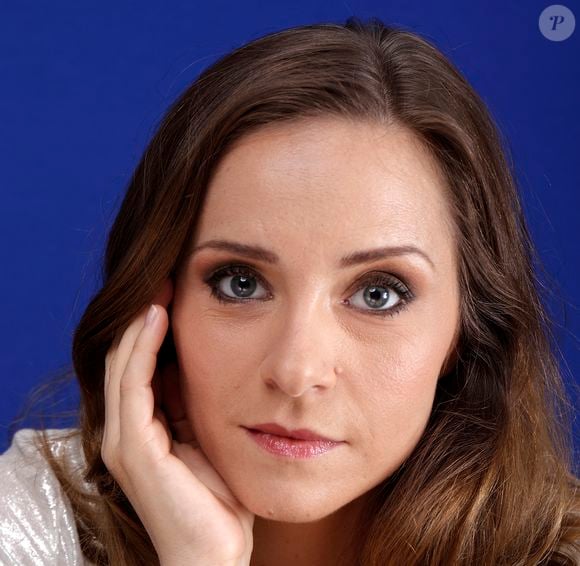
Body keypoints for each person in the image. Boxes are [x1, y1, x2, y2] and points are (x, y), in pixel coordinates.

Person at [1, 15, 578, 566]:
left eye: (379, 293)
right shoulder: (26, 521)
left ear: (467, 329)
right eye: (241, 283)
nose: (298, 370)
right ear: (159, 304)